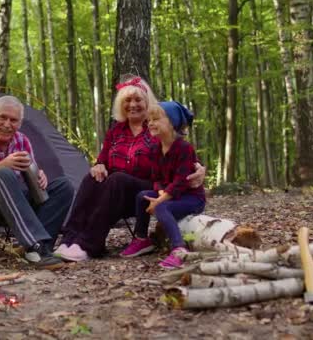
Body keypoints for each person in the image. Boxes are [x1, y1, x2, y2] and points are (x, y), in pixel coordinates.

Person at [55, 76, 205, 262]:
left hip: (145, 191)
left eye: (137, 100)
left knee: (118, 179)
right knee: (91, 178)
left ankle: (89, 244)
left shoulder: (156, 127)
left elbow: (184, 158)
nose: (132, 105)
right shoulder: (116, 131)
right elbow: (102, 159)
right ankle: (70, 239)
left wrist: (200, 170)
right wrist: (99, 165)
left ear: (147, 103)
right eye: (127, 100)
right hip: (113, 195)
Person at [0, 95, 74, 270]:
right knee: (2, 174)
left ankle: (37, 248)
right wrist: (1, 166)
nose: (7, 124)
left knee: (64, 186)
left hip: (11, 205)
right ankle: (35, 247)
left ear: (20, 123)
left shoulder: (22, 141)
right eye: (2, 117)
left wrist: (39, 176)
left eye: (13, 120)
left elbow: (31, 177)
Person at [121, 101, 206, 268]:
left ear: (172, 122)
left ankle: (179, 249)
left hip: (191, 198)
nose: (150, 123)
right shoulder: (155, 149)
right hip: (169, 195)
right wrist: (160, 194)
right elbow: (157, 178)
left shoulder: (184, 148)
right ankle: (141, 239)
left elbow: (181, 182)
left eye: (156, 119)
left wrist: (161, 201)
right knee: (142, 197)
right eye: (149, 120)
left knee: (161, 208)